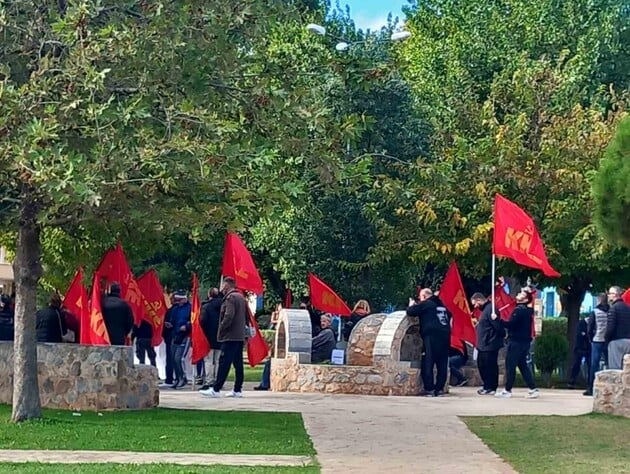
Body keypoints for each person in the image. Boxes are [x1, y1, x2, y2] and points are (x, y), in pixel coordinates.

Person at [201, 277, 248, 398]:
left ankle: (216, 389)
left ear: (227, 286)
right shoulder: (241, 297)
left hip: (230, 335)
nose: (222, 289)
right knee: (238, 363)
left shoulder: (230, 298)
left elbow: (228, 315)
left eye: (223, 286)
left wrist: (221, 329)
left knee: (224, 362)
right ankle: (237, 389)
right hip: (239, 335)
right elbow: (246, 316)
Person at [495, 290, 539, 399]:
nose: (518, 294)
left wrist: (498, 320)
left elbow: (511, 325)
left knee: (510, 365)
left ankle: (507, 390)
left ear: (525, 299)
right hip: (523, 342)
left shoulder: (519, 311)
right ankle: (532, 388)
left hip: (516, 342)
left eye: (522, 294)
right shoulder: (527, 311)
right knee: (523, 366)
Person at [407, 288, 451, 397]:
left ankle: (429, 388)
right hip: (445, 336)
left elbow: (411, 312)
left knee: (428, 361)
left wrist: (411, 305)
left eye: (420, 297)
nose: (420, 299)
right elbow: (449, 315)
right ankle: (440, 389)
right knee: (442, 363)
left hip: (431, 336)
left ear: (425, 296)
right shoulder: (442, 305)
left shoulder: (427, 304)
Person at [471, 293, 503, 395]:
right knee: (482, 365)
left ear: (479, 300)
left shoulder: (490, 309)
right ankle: (486, 385)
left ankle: (491, 387)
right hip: (483, 344)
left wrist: (494, 338)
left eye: (475, 304)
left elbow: (497, 326)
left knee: (490, 366)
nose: (475, 307)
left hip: (490, 343)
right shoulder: (485, 310)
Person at [584, 293, 609, 396]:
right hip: (608, 341)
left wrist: (591, 339)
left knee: (594, 365)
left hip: (597, 340)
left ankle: (591, 388)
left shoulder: (595, 312)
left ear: (598, 300)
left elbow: (590, 328)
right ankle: (608, 388)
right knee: (609, 364)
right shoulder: (611, 311)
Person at [199, 288, 223, 391]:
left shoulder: (206, 307)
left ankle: (209, 381)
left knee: (208, 360)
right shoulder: (224, 306)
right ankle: (217, 380)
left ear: (209, 295)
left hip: (208, 337)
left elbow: (203, 322)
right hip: (220, 337)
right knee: (217, 360)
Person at [170, 290, 192, 389]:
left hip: (185, 336)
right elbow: (173, 319)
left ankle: (183, 377)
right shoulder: (175, 309)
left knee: (178, 358)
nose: (177, 302)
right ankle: (178, 378)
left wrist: (187, 326)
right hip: (175, 335)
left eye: (179, 300)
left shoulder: (190, 308)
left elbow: (194, 321)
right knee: (173, 359)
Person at [605, 286, 630, 370]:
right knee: (626, 369)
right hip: (628, 341)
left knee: (615, 369)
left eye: (610, 293)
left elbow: (610, 327)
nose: (608, 296)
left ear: (615, 295)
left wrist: (607, 338)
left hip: (616, 341)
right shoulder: (627, 308)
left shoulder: (613, 308)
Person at [568, 315, 591, 389]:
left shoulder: (590, 323)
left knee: (590, 364)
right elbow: (579, 336)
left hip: (588, 347)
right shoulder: (581, 324)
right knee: (576, 364)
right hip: (580, 347)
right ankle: (572, 381)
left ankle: (589, 382)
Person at [159, 294, 176, 388]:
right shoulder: (171, 310)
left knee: (171, 358)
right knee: (174, 359)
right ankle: (176, 378)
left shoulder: (171, 311)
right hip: (172, 336)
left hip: (172, 337)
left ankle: (170, 379)